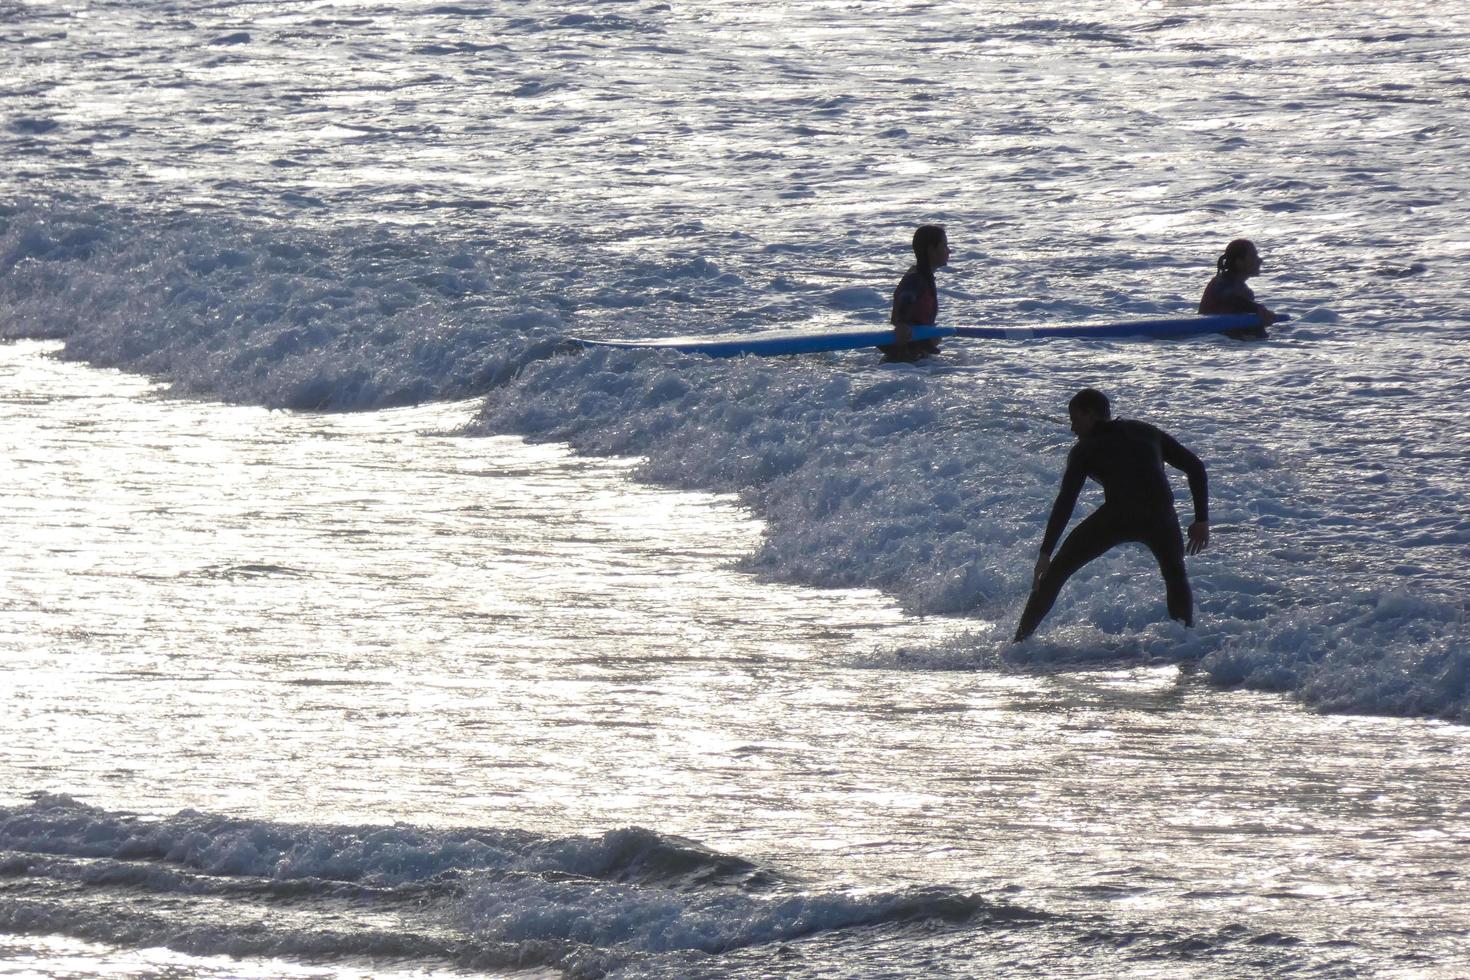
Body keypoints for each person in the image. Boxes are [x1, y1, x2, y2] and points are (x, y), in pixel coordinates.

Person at [1013, 388, 1209, 642]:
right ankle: (1185, 644)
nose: (1073, 428)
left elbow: (1066, 502)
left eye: (1075, 419)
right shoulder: (1146, 431)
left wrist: (1045, 554)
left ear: (1090, 415)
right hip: (1160, 516)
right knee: (1175, 576)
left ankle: (1019, 642)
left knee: (1056, 572)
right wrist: (1201, 519)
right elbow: (1195, 467)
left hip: (1118, 517)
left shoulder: (1084, 450)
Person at [879, 224, 950, 362]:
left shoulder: (924, 277)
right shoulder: (915, 279)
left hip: (914, 358)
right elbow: (905, 298)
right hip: (902, 361)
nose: (949, 251)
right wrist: (902, 324)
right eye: (944, 246)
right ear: (931, 250)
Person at [1199, 238, 1277, 338]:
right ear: (1239, 262)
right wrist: (1257, 308)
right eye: (1253, 256)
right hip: (1209, 338)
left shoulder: (1246, 292)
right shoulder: (1220, 283)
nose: (1259, 260)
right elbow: (1229, 296)